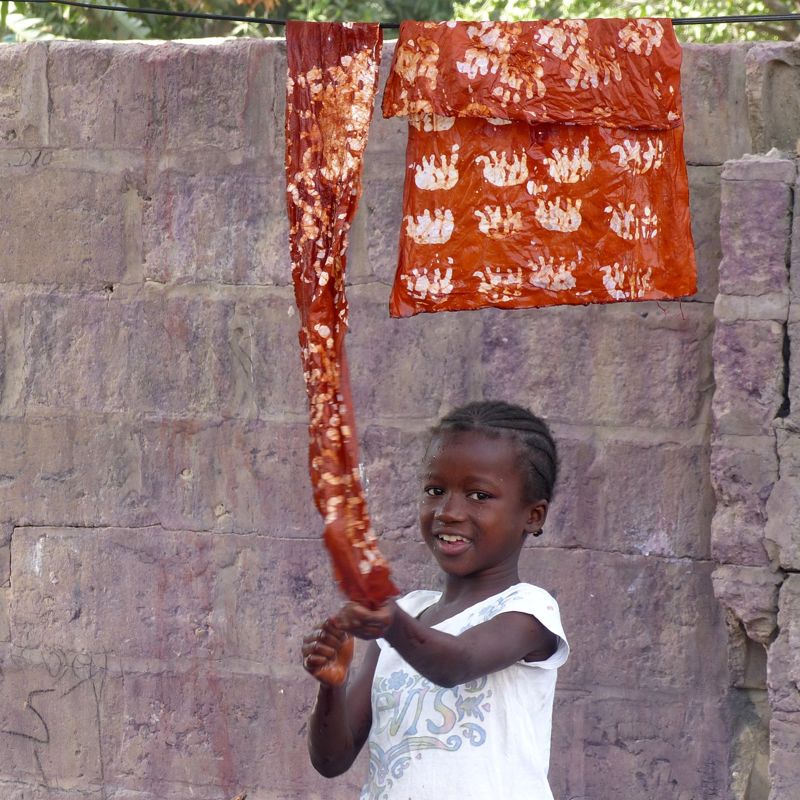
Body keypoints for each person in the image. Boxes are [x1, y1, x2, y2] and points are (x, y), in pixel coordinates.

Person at [301, 400, 570, 799]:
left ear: (533, 516)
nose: (448, 511)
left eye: (479, 496)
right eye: (435, 490)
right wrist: (331, 685)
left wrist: (389, 622)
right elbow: (332, 761)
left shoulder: (529, 611)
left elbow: (456, 663)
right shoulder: (409, 613)